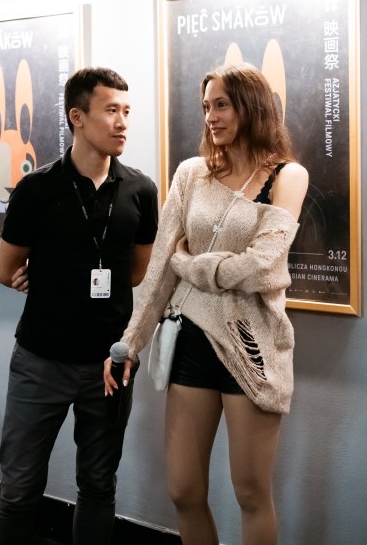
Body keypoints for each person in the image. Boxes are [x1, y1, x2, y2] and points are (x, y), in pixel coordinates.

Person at [104, 63, 309, 545]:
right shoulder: (191, 174)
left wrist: (191, 266)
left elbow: (262, 264)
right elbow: (160, 266)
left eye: (222, 105)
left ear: (251, 107)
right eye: (206, 107)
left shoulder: (287, 175)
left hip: (252, 348)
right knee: (183, 489)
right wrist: (130, 343)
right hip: (190, 342)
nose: (211, 117)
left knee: (251, 493)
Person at [0, 67, 158, 545]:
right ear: (77, 117)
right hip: (39, 361)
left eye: (127, 111)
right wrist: (36, 276)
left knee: (99, 485)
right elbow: (7, 270)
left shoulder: (141, 190)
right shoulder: (37, 189)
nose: (123, 122)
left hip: (109, 364)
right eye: (111, 110)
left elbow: (136, 274)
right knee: (19, 488)